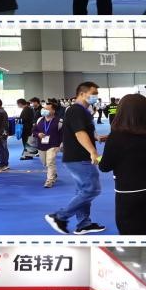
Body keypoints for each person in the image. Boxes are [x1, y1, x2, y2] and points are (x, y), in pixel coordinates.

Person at [97, 93, 146, 235]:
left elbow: (105, 166)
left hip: (130, 191)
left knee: (127, 230)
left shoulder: (116, 136)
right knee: (143, 223)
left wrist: (99, 158)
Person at [44, 82, 106, 235]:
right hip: (78, 157)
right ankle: (59, 217)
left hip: (77, 156)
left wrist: (97, 138)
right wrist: (93, 152)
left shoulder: (84, 111)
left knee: (83, 191)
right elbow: (79, 133)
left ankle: (84, 224)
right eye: (93, 93)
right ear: (82, 94)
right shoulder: (76, 110)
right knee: (92, 189)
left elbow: (83, 131)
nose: (96, 96)